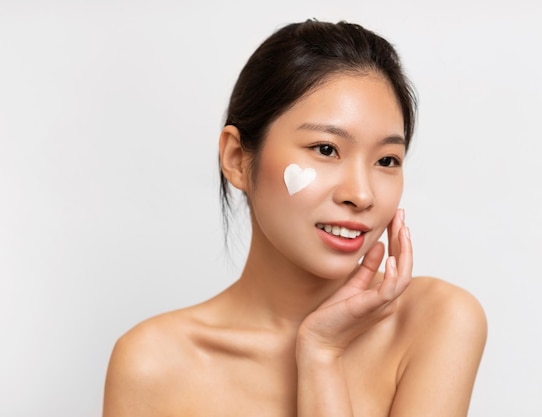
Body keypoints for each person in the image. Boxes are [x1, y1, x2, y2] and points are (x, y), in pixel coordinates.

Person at [102, 19, 487, 417]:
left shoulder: (435, 320)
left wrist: (322, 354)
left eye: (387, 160)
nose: (361, 194)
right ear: (236, 159)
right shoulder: (154, 364)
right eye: (325, 149)